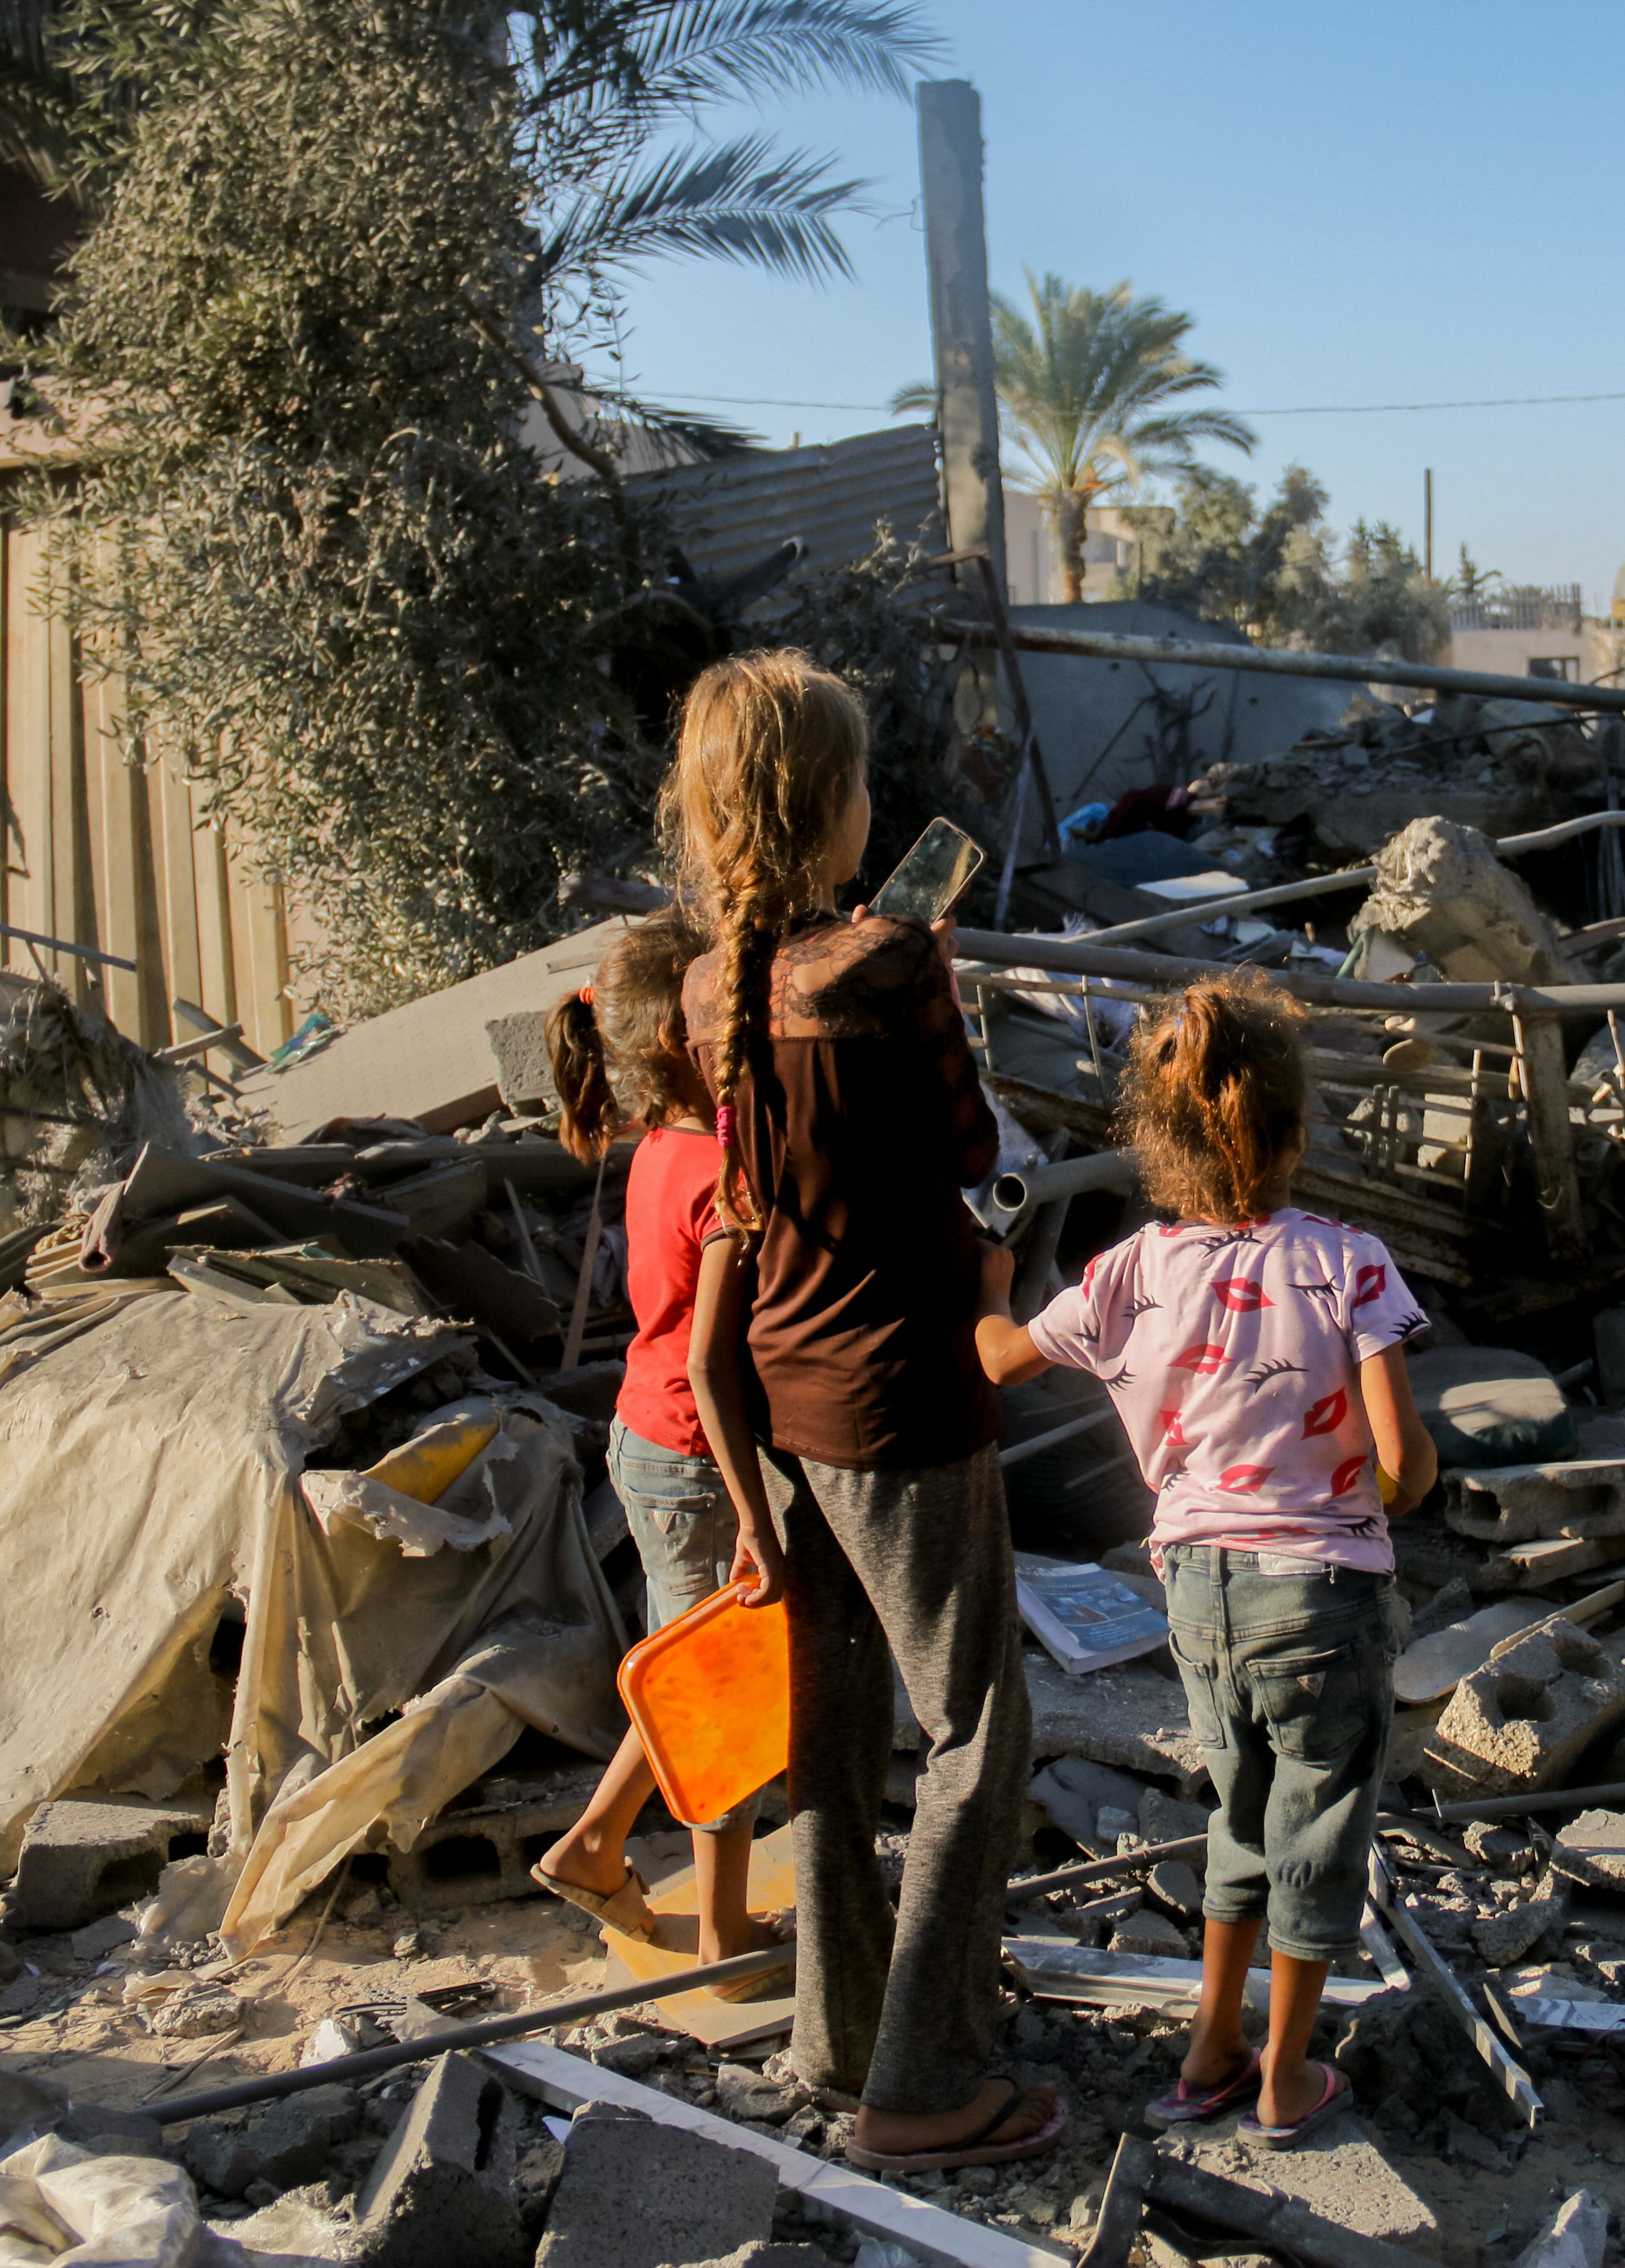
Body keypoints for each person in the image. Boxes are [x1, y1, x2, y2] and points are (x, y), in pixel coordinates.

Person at [670, 650, 1061, 2174]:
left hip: (781, 1397)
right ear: (825, 805)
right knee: (974, 1731)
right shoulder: (890, 965)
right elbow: (970, 1145)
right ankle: (921, 2081)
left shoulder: (715, 984)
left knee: (829, 1742)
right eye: (858, 779)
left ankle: (834, 2041)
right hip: (905, 1397)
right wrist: (940, 967)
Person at [973, 972, 1438, 2146]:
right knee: (1318, 1816)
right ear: (1290, 1130)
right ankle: (1285, 2071)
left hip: (1195, 1590)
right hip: (1318, 1588)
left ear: (1158, 1143)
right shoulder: (1348, 1261)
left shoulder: (1130, 1272)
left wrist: (983, 1280)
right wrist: (1359, 1498)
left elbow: (996, 1361)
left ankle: (1209, 2043)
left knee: (1236, 1807)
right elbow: (1405, 1461)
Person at [527, 909, 777, 1996]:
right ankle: (723, 1945)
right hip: (694, 1454)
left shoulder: (659, 1147)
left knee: (684, 1672)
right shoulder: (722, 1169)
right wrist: (757, 1514)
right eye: (726, 1000)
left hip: (648, 1434)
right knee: (719, 1705)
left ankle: (591, 1845)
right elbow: (719, 1368)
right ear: (687, 1033)